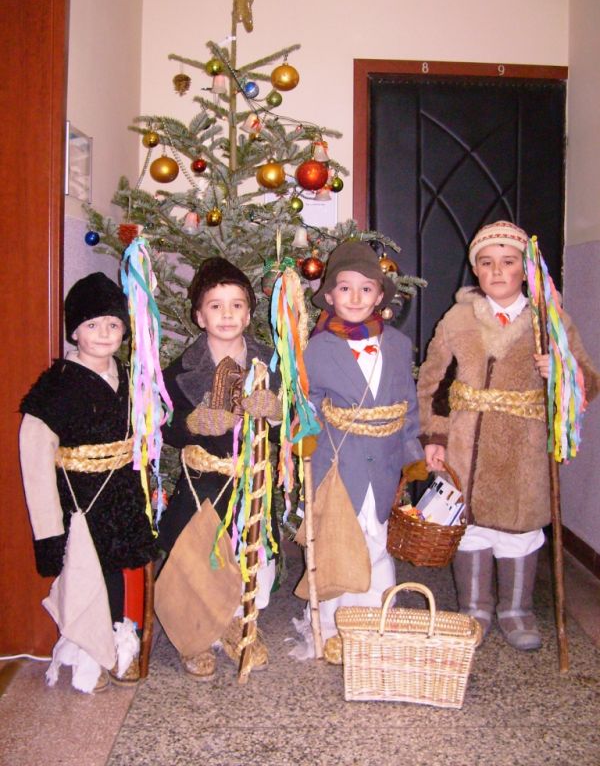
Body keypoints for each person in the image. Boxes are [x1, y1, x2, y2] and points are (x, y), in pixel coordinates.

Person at [417, 220, 600, 650]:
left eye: (508, 262)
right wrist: (434, 438)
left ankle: (516, 609)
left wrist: (562, 373)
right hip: (466, 447)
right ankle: (475, 608)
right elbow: (433, 382)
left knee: (520, 531)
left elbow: (588, 380)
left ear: (525, 269)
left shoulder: (550, 320)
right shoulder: (458, 319)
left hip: (524, 449)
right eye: (486, 263)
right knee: (470, 529)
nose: (497, 271)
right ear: (475, 270)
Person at [19, 272, 158, 693]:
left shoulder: (130, 375)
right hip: (78, 500)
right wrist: (48, 533)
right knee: (83, 573)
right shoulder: (56, 386)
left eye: (113, 325)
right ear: (74, 331)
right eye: (92, 324)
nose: (104, 333)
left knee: (115, 573)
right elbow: (35, 458)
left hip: (120, 494)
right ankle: (87, 651)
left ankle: (115, 645)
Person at [292, 240, 423, 664]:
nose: (355, 297)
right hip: (337, 461)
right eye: (344, 288)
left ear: (380, 295)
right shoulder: (317, 347)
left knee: (376, 540)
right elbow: (309, 402)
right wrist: (304, 433)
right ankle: (331, 626)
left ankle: (375, 620)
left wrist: (412, 453)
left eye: (366, 289)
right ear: (329, 296)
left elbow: (407, 404)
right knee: (336, 541)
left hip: (382, 463)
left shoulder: (398, 345)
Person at [157, 256, 281, 679]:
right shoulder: (181, 370)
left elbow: (294, 422)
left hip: (250, 483)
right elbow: (161, 424)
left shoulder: (271, 363)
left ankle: (238, 624)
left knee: (252, 556)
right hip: (203, 483)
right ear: (199, 316)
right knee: (199, 558)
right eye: (215, 305)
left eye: (236, 305)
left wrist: (276, 412)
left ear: (248, 314)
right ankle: (197, 635)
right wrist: (192, 423)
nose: (227, 314)